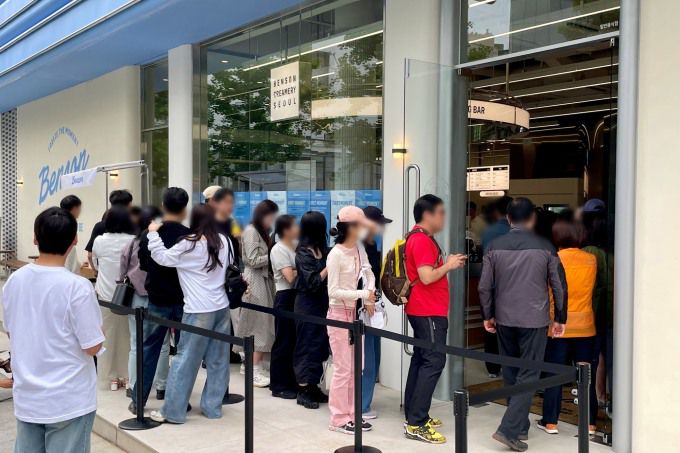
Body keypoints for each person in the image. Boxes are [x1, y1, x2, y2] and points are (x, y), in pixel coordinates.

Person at [3, 207, 104, 452]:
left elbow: (11, 331)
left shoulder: (15, 280)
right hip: (68, 398)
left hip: (28, 396)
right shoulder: (78, 287)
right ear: (74, 240)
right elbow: (92, 346)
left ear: (35, 239)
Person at [479, 197, 568, 452]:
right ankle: (508, 429)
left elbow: (484, 286)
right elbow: (559, 286)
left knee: (511, 372)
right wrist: (560, 317)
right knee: (529, 374)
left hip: (504, 318)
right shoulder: (546, 246)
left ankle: (520, 426)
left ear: (508, 219)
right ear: (532, 218)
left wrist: (488, 314)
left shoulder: (494, 246)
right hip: (534, 320)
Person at [146, 204, 232, 424]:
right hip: (221, 307)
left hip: (198, 309)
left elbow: (162, 258)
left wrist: (153, 234)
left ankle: (173, 412)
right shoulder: (224, 240)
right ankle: (212, 407)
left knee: (185, 360)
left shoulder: (190, 243)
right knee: (218, 360)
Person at [403, 195, 466, 444]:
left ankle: (414, 414)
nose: (444, 217)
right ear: (428, 214)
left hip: (423, 309)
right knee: (433, 361)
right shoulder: (421, 240)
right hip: (428, 310)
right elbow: (427, 277)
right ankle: (416, 423)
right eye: (441, 212)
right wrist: (449, 265)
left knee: (421, 359)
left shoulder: (418, 237)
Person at [130, 187, 190, 414]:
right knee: (184, 353)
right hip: (184, 299)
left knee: (149, 350)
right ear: (185, 208)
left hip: (156, 298)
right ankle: (179, 400)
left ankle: (139, 400)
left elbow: (144, 264)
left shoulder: (150, 233)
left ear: (163, 206)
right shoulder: (190, 235)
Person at [537, 221, 598, 436]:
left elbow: (549, 292)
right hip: (585, 325)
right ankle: (589, 423)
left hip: (558, 325)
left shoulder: (554, 259)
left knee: (555, 373)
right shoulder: (591, 259)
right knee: (586, 375)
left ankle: (550, 422)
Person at [326, 206, 377, 434]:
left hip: (356, 315)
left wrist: (370, 291)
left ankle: (353, 414)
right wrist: (364, 294)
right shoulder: (335, 254)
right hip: (338, 315)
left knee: (358, 367)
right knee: (343, 369)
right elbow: (333, 292)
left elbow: (368, 271)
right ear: (350, 227)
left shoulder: (358, 248)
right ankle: (338, 418)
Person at [119, 206, 170, 399]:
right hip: (159, 297)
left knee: (136, 342)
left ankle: (134, 386)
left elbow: (122, 271)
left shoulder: (131, 244)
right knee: (163, 343)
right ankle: (162, 386)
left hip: (136, 298)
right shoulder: (163, 244)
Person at [92, 206, 135, 391]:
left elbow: (96, 264)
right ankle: (127, 375)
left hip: (105, 295)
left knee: (107, 336)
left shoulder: (99, 241)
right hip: (128, 296)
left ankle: (111, 378)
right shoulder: (133, 240)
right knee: (128, 337)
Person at [236, 199, 278, 387]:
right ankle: (253, 369)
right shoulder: (252, 231)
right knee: (258, 324)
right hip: (255, 280)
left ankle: (253, 366)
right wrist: (273, 254)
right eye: (271, 216)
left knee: (260, 323)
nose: (272, 220)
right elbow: (252, 260)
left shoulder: (259, 231)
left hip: (261, 279)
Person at [294, 211, 330, 409]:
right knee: (306, 346)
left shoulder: (322, 249)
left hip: (322, 304)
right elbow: (313, 282)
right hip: (307, 304)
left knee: (319, 346)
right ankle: (303, 389)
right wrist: (329, 266)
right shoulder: (303, 252)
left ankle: (314, 385)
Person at [581, 200, 613, 419]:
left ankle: (594, 402)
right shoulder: (616, 251)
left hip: (593, 314)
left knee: (592, 358)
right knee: (606, 356)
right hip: (611, 314)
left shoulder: (588, 253)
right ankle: (604, 397)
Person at [360, 205, 391, 420]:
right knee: (367, 360)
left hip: (373, 308)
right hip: (362, 309)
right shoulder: (358, 246)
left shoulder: (371, 245)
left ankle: (364, 402)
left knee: (373, 357)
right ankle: (361, 406)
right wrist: (367, 298)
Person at [479, 196, 513, 378]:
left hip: (491, 283)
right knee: (510, 327)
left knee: (490, 327)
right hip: (510, 286)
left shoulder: (489, 232)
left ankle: (492, 368)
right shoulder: (515, 232)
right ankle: (510, 366)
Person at [269, 214, 300, 399]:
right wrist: (303, 269)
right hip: (285, 296)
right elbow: (289, 277)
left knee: (293, 342)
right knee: (283, 341)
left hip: (295, 296)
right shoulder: (278, 249)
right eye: (294, 225)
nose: (298, 228)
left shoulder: (295, 246)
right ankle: (279, 385)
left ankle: (292, 382)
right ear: (286, 230)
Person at [85, 189, 133, 270]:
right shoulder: (134, 227)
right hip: (128, 274)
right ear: (129, 205)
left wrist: (96, 271)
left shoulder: (99, 226)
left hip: (104, 273)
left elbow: (90, 255)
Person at [60, 194, 83, 274]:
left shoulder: (58, 218)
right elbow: (75, 241)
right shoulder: (71, 221)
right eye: (79, 208)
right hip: (68, 250)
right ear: (75, 208)